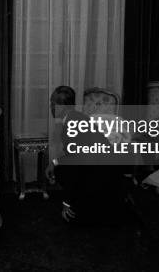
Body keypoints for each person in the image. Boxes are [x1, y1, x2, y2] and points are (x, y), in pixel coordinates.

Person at [44, 86, 130, 223]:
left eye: (52, 103)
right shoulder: (75, 117)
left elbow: (75, 166)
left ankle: (89, 205)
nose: (51, 107)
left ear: (61, 106)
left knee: (63, 172)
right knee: (60, 168)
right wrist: (53, 163)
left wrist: (66, 203)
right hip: (101, 168)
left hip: (101, 174)